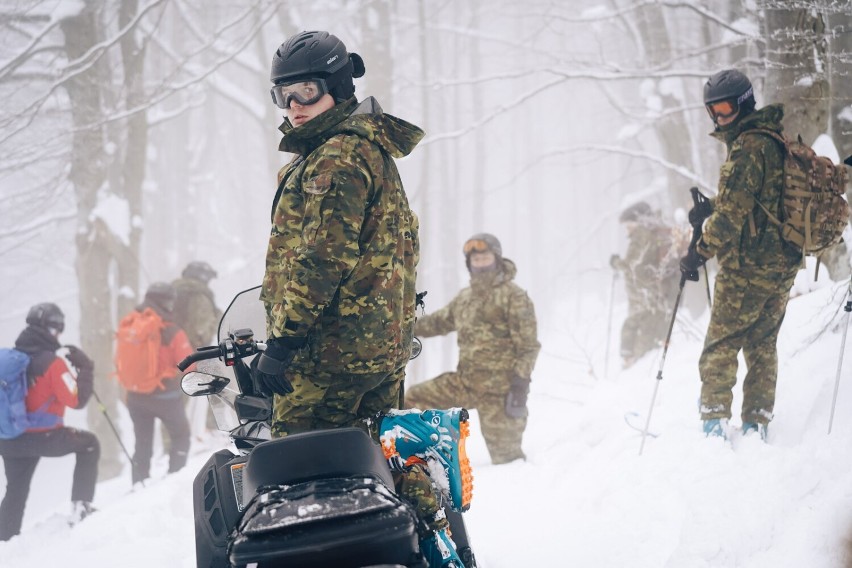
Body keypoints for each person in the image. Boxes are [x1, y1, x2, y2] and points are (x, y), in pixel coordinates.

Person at [254, 31, 466, 566]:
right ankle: (428, 545)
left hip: (328, 357)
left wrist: (283, 341)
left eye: (306, 91)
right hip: (374, 351)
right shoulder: (369, 150)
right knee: (378, 463)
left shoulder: (336, 158)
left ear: (338, 87)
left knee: (299, 485)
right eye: (283, 96)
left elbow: (323, 259)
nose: (295, 107)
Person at [680, 69, 801, 441]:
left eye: (726, 108)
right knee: (762, 344)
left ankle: (714, 426)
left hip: (747, 267)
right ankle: (757, 423)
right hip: (781, 264)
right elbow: (755, 198)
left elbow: (733, 214)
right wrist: (711, 206)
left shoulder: (748, 146)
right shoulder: (771, 138)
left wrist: (699, 252)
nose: (720, 118)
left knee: (721, 343)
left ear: (744, 103)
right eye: (713, 111)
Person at [405, 233, 541, 465]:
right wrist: (405, 327)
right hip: (465, 383)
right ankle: (423, 458)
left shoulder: (514, 296)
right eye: (475, 260)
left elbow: (528, 346)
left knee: (509, 462)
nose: (480, 264)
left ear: (496, 259)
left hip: (500, 392)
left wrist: (520, 384)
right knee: (413, 399)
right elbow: (439, 322)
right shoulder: (465, 298)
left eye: (485, 258)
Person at [0, 303, 99, 540]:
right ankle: (81, 507)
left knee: (16, 490)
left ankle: (4, 540)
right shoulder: (52, 364)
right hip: (44, 437)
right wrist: (86, 367)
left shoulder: (11, 359)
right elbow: (76, 400)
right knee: (89, 444)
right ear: (53, 329)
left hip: (9, 437)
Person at [121, 282, 193, 485]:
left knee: (142, 443)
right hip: (166, 397)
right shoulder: (172, 331)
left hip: (135, 396)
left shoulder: (131, 325)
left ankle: (139, 482)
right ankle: (174, 479)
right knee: (181, 436)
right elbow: (190, 366)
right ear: (166, 301)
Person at [610, 202, 681, 368]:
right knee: (650, 322)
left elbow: (630, 265)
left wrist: (615, 263)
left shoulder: (641, 234)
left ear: (636, 221)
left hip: (644, 291)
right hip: (654, 289)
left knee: (638, 324)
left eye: (628, 225)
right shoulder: (654, 230)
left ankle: (634, 362)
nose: (627, 230)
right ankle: (639, 360)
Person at [172, 261, 222, 349]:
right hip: (190, 352)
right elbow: (200, 332)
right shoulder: (199, 296)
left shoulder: (172, 291)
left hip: (170, 349)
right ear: (203, 276)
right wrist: (218, 319)